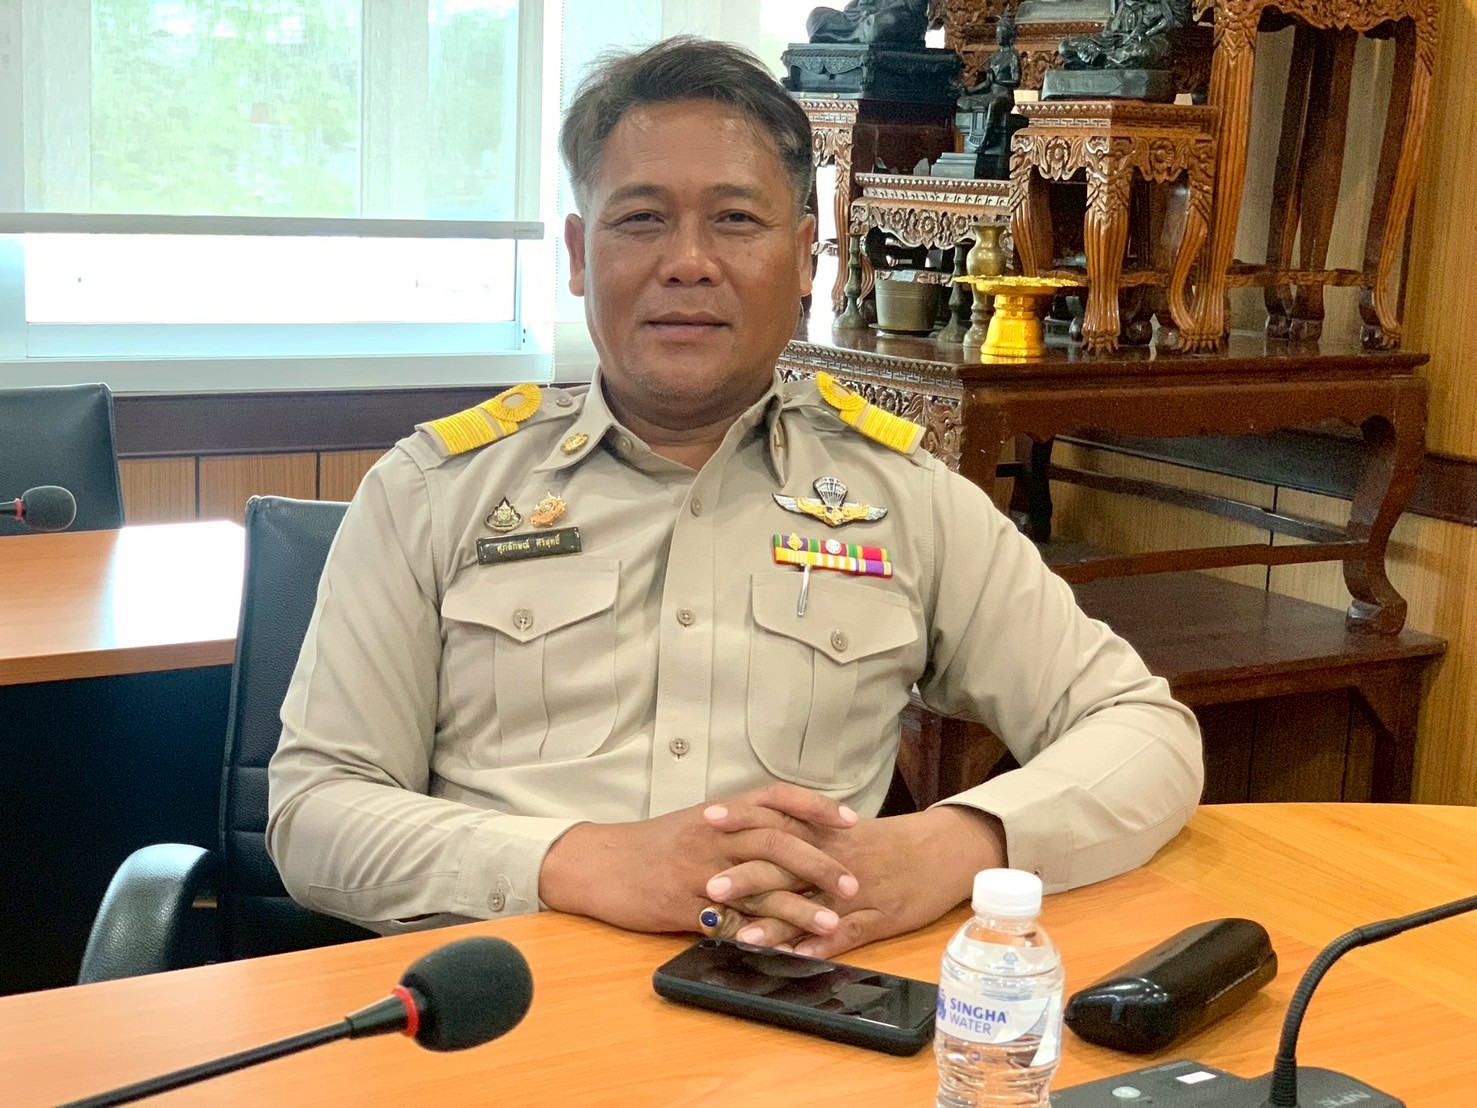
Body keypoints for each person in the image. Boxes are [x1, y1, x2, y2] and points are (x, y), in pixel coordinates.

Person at [266, 36, 1202, 961]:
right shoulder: (432, 492)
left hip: (794, 1000)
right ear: (580, 255)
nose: (688, 262)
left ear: (802, 258)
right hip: (503, 993)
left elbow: (1145, 734)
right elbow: (314, 815)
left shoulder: (907, 501)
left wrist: (953, 846)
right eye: (640, 219)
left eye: (735, 220)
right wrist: (578, 862)